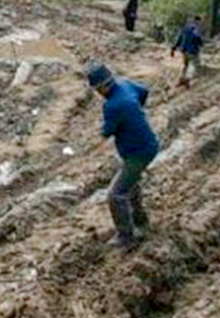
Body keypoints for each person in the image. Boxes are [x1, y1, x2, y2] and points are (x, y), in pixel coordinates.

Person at [86, 62, 160, 250]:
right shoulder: (126, 85)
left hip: (138, 153)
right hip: (148, 144)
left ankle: (126, 236)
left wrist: (94, 140)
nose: (98, 93)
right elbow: (143, 91)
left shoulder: (113, 106)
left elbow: (106, 132)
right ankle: (141, 222)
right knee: (131, 185)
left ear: (102, 86)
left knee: (115, 194)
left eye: (97, 89)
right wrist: (135, 112)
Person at [171, 16, 204, 87]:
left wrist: (173, 48)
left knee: (185, 65)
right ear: (198, 21)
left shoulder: (185, 28)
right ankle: (187, 79)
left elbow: (179, 38)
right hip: (192, 49)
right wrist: (201, 44)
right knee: (194, 64)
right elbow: (197, 37)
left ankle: (181, 78)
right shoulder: (195, 28)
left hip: (184, 50)